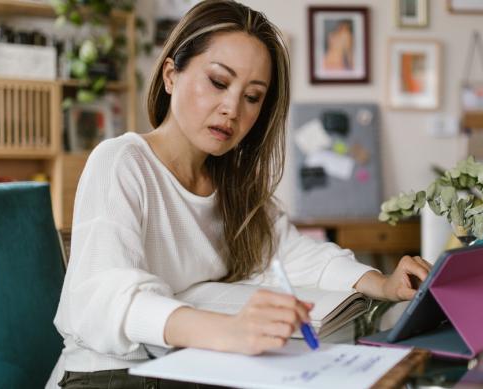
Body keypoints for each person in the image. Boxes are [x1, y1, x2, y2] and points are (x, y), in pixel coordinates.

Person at [47, 1, 431, 387]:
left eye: (252, 97)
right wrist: (230, 331)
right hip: (106, 372)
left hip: (190, 365)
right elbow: (105, 296)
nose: (232, 108)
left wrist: (383, 284)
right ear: (170, 75)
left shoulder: (233, 185)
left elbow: (296, 254)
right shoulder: (121, 161)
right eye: (217, 82)